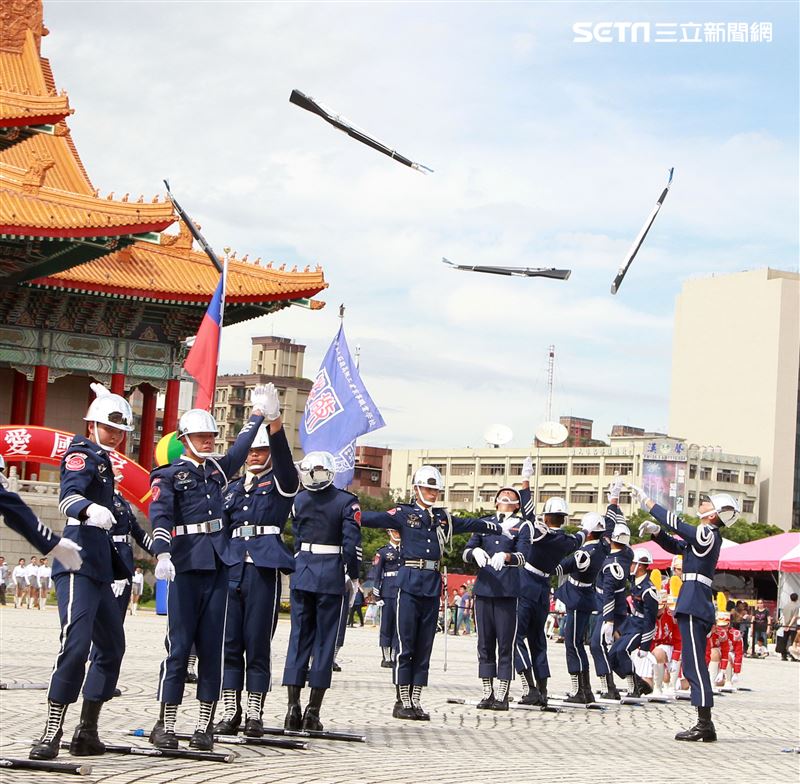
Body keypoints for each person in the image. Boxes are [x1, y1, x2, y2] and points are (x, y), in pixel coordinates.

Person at [148, 386, 269, 752]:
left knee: (213, 647)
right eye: (201, 436)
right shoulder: (168, 475)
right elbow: (160, 514)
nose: (208, 441)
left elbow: (240, 449)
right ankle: (166, 723)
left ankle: (204, 725)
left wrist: (257, 415)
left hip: (218, 561)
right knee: (179, 646)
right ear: (185, 440)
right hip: (185, 561)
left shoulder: (217, 469)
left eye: (212, 436)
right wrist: (162, 553)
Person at [30, 382, 135, 761]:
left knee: (112, 646)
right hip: (77, 563)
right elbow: (68, 496)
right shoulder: (81, 452)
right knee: (75, 647)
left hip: (100, 568)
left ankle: (86, 731)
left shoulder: (104, 460)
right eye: (110, 428)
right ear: (92, 426)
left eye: (122, 430)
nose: (116, 435)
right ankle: (51, 732)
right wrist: (89, 509)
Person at [361, 465, 500, 720]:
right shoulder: (403, 513)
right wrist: (347, 512)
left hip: (431, 584)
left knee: (425, 645)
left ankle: (416, 698)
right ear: (416, 489)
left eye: (436, 489)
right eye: (428, 488)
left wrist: (494, 527)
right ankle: (402, 699)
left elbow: (467, 523)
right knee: (406, 644)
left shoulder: (442, 517)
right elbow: (373, 518)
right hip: (409, 583)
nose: (433, 493)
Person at [214, 410, 299, 739]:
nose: (254, 455)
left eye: (260, 451)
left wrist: (275, 427)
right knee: (230, 643)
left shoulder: (281, 483)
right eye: (250, 450)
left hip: (263, 570)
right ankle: (230, 710)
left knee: (257, 642)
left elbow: (284, 459)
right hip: (233, 567)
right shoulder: (232, 488)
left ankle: (254, 712)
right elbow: (220, 528)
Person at [635, 487, 739, 742]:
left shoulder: (708, 532)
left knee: (694, 665)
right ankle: (705, 723)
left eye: (707, 503)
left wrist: (650, 505)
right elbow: (678, 545)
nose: (702, 504)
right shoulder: (705, 537)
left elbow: (680, 527)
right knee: (693, 663)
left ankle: (705, 724)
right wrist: (657, 532)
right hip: (693, 602)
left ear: (713, 515)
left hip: (694, 603)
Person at [282, 451, 362, 731]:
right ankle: (312, 712)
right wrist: (353, 576)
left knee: (298, 639)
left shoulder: (299, 500)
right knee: (325, 643)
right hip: (330, 574)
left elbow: (296, 537)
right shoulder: (346, 502)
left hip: (303, 570)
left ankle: (292, 708)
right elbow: (351, 545)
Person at [514, 458, 586, 708]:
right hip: (544, 588)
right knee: (538, 641)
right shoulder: (568, 541)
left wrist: (526, 481)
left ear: (546, 516)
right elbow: (583, 535)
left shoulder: (541, 532)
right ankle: (542, 689)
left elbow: (527, 512)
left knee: (515, 638)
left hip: (526, 584)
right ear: (563, 518)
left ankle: (530, 688)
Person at [462, 486, 530, 710]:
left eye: (512, 495)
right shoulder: (485, 523)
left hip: (507, 591)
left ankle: (502, 693)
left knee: (505, 644)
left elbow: (523, 557)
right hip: (484, 588)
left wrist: (507, 556)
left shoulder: (522, 526)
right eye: (503, 494)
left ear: (518, 504)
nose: (506, 496)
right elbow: (467, 550)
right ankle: (487, 691)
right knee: (484, 643)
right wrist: (474, 553)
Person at [555, 511, 610, 704]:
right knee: (577, 644)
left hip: (578, 597)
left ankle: (579, 690)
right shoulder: (603, 546)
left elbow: (561, 566)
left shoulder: (585, 552)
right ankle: (585, 690)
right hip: (585, 595)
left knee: (572, 643)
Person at [608, 549, 659, 697]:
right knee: (611, 656)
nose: (630, 566)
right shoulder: (634, 581)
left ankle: (634, 687)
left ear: (641, 566)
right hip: (631, 624)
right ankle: (638, 682)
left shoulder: (649, 590)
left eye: (632, 563)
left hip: (641, 627)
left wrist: (645, 646)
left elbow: (650, 619)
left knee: (621, 651)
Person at [590, 520, 632, 700]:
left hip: (609, 611)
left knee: (596, 646)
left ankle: (608, 686)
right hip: (619, 610)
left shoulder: (610, 563)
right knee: (609, 648)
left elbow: (608, 593)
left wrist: (608, 620)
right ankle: (628, 682)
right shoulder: (627, 554)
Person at [109, 483, 154, 618]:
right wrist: (117, 569)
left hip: (125, 558)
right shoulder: (104, 497)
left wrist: (159, 552)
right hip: (114, 559)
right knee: (110, 613)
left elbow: (137, 532)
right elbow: (106, 535)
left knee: (120, 610)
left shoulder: (121, 499)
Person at [371, 530, 401, 666]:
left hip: (402, 591)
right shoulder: (383, 552)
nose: (398, 534)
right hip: (388, 591)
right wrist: (376, 595)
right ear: (389, 532)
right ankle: (386, 657)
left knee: (398, 626)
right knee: (386, 625)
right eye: (395, 531)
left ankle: (395, 656)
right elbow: (377, 574)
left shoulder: (406, 550)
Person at [779, 592, 799, 661]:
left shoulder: (786, 606)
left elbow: (783, 616)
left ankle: (783, 655)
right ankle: (793, 656)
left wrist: (785, 625)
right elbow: (794, 617)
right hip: (792, 626)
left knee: (784, 640)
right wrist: (790, 626)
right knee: (793, 641)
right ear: (797, 598)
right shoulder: (796, 606)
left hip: (785, 625)